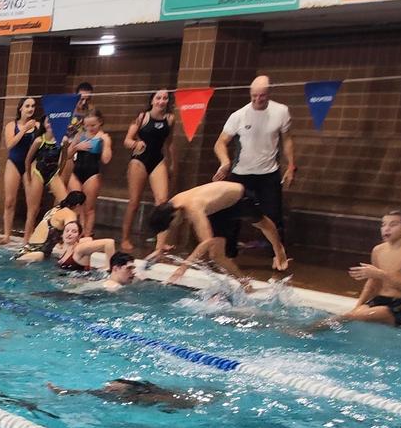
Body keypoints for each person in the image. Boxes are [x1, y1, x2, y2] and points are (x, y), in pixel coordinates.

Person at [213, 75, 295, 267]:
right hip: (241, 173)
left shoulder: (281, 111)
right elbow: (220, 142)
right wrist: (225, 162)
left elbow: (288, 140)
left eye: (262, 96)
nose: (258, 100)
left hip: (268, 173)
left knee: (273, 215)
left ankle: (277, 255)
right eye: (254, 96)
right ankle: (229, 254)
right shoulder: (239, 115)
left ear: (269, 93)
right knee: (232, 215)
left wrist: (291, 165)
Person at [145, 180, 290, 288]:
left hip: (239, 199)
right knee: (216, 255)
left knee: (262, 223)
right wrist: (159, 248)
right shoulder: (170, 206)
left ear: (175, 215)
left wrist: (184, 267)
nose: (173, 228)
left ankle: (279, 250)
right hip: (217, 210)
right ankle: (245, 283)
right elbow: (164, 227)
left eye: (172, 225)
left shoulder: (193, 208)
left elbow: (207, 241)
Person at [323, 210, 401, 328]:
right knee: (351, 315)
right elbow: (373, 283)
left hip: (400, 305)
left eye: (393, 225)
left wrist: (380, 274)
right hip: (379, 300)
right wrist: (358, 306)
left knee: (349, 318)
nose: (386, 229)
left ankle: (308, 332)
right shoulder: (378, 250)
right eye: (383, 225)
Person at [120, 90, 177, 251]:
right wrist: (135, 144)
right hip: (139, 160)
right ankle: (125, 238)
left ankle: (160, 243)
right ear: (152, 100)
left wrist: (172, 163)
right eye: (158, 98)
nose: (162, 101)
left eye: (165, 98)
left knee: (162, 202)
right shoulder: (142, 117)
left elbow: (170, 143)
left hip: (158, 160)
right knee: (134, 202)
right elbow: (127, 140)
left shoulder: (170, 119)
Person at [0, 96, 43, 245]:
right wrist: (24, 129)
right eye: (27, 106)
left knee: (31, 204)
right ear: (20, 108)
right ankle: (6, 235)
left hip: (30, 164)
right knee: (9, 201)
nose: (31, 109)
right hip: (14, 162)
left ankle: (27, 237)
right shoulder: (12, 125)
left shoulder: (38, 126)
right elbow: (10, 144)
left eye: (33, 106)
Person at [61, 111, 111, 238]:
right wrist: (77, 147)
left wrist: (105, 144)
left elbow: (106, 159)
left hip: (92, 174)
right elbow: (69, 155)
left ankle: (87, 235)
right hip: (76, 172)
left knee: (89, 208)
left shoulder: (103, 137)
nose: (90, 128)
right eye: (87, 125)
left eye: (93, 125)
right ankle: (73, 234)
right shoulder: (80, 135)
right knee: (74, 205)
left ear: (100, 122)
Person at [48, 378, 207, 410]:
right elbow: (86, 392)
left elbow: (192, 402)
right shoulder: (111, 396)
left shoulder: (149, 396)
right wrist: (61, 391)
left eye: (113, 388)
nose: (108, 390)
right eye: (108, 388)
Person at [18, 190, 88, 261]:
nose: (85, 207)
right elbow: (70, 238)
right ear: (78, 205)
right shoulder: (70, 214)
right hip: (37, 254)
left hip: (25, 251)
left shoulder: (55, 209)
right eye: (84, 205)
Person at [50, 221, 118, 275]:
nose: (69, 233)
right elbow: (89, 239)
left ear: (79, 236)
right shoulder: (67, 249)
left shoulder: (79, 249)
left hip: (79, 288)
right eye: (67, 231)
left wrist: (109, 267)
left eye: (74, 231)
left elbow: (109, 243)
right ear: (62, 234)